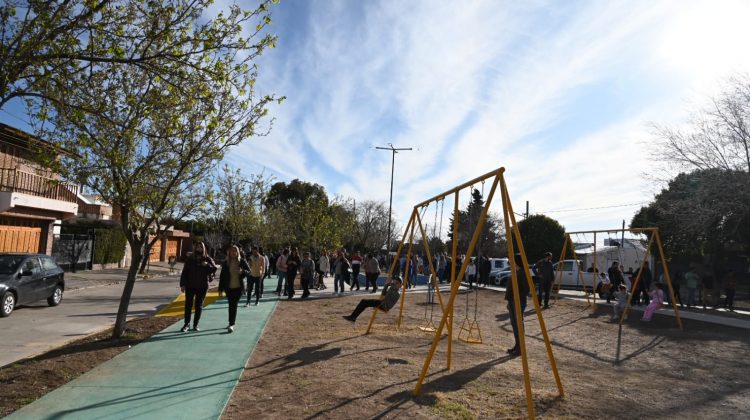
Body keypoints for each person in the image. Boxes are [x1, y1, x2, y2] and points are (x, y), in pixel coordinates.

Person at [179, 241, 217, 332]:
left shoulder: (207, 258)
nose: (199, 248)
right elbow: (185, 272)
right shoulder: (190, 259)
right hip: (190, 285)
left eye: (201, 247)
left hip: (202, 286)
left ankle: (195, 325)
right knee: (188, 305)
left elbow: (214, 268)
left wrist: (206, 265)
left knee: (198, 306)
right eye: (197, 247)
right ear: (195, 248)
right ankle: (186, 324)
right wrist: (182, 284)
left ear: (203, 248)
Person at [218, 245, 250, 333]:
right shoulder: (226, 262)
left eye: (235, 251)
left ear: (238, 252)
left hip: (238, 287)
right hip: (228, 287)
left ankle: (232, 324)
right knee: (231, 305)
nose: (233, 252)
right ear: (229, 252)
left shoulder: (242, 261)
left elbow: (249, 272)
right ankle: (231, 322)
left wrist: (242, 271)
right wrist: (220, 289)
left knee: (233, 304)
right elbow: (222, 276)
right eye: (232, 251)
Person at [506, 254, 530, 357]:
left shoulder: (523, 273)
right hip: (512, 301)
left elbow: (526, 289)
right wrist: (509, 301)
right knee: (514, 324)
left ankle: (520, 348)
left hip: (519, 301)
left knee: (518, 324)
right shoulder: (516, 271)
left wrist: (516, 298)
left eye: (512, 260)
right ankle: (517, 345)